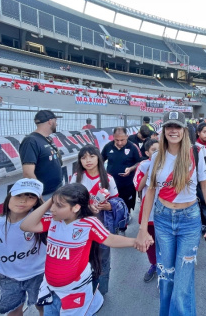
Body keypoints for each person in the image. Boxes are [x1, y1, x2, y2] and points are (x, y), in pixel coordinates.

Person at [135, 111, 206, 316]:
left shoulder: (196, 153)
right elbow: (149, 192)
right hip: (162, 218)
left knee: (182, 283)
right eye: (169, 127)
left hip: (189, 220)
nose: (173, 130)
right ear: (164, 130)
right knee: (166, 278)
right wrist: (142, 229)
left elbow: (205, 186)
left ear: (184, 131)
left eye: (177, 127)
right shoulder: (157, 156)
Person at [20, 183, 141, 316]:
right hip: (51, 290)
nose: (53, 209)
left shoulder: (88, 223)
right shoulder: (53, 221)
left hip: (74, 292)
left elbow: (110, 239)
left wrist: (135, 242)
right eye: (53, 204)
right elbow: (26, 225)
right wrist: (52, 199)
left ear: (76, 207)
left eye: (59, 205)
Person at [0, 178, 47, 316]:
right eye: (18, 195)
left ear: (37, 202)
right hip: (8, 276)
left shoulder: (41, 221)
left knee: (42, 306)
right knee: (13, 310)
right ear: (9, 196)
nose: (23, 201)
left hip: (38, 273)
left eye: (30, 197)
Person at [70, 145, 119, 297]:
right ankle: (83, 292)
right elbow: (69, 203)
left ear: (98, 157)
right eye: (83, 157)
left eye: (91, 156)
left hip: (102, 227)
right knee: (82, 260)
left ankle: (100, 291)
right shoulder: (76, 177)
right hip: (81, 227)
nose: (88, 160)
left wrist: (107, 206)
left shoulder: (108, 179)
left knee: (102, 260)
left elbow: (116, 203)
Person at [19, 110, 63, 200]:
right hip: (45, 195)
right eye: (55, 121)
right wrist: (39, 196)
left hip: (56, 190)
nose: (57, 124)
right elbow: (28, 173)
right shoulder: (30, 141)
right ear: (50, 122)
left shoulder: (48, 138)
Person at [101, 127, 141, 224]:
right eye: (116, 140)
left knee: (127, 202)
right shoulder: (108, 147)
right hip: (111, 184)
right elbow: (100, 160)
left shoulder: (133, 147)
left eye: (122, 140)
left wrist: (131, 168)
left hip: (127, 183)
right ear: (113, 137)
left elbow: (139, 163)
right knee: (112, 203)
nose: (119, 143)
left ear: (127, 136)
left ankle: (126, 217)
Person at [133, 139, 160, 282]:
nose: (157, 152)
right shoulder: (143, 165)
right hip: (149, 214)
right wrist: (149, 172)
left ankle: (167, 267)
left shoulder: (169, 163)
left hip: (166, 211)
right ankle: (154, 265)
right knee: (151, 242)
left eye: (159, 149)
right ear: (147, 153)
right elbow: (138, 187)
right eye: (154, 150)